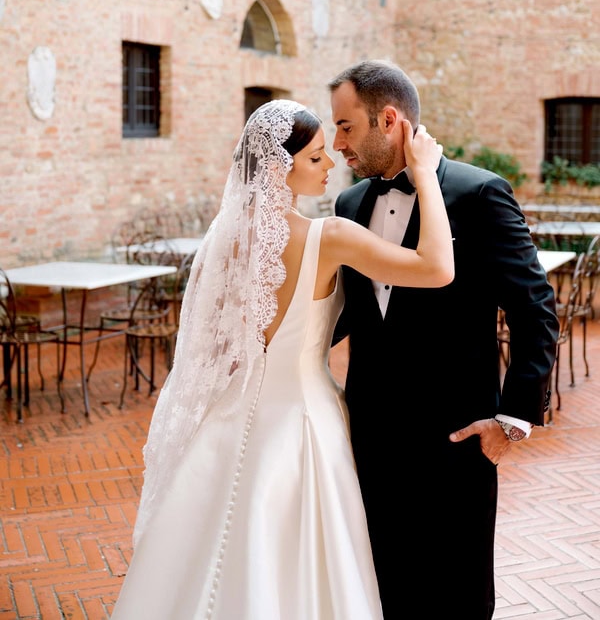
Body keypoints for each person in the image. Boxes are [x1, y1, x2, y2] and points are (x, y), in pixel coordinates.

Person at [111, 98, 453, 620]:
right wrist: (426, 176)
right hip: (303, 424)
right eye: (317, 158)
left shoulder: (225, 240)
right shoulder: (329, 236)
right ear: (278, 167)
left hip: (226, 419)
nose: (331, 164)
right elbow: (435, 268)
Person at [328, 60, 560, 620]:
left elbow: (535, 310)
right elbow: (343, 315)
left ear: (388, 119)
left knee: (458, 588)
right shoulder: (346, 206)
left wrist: (514, 418)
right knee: (382, 580)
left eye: (345, 126)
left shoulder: (479, 193)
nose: (337, 143)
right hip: (371, 433)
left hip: (456, 434)